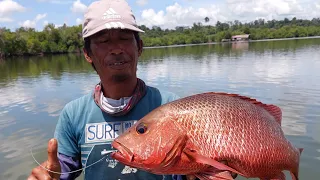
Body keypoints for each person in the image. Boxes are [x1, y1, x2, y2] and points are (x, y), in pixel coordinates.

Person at [27, 0, 183, 179]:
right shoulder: (74, 114)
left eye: (124, 38)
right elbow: (63, 167)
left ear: (139, 47)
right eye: (104, 40)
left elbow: (185, 169)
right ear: (87, 53)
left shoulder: (169, 106)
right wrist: (49, 174)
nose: (116, 49)